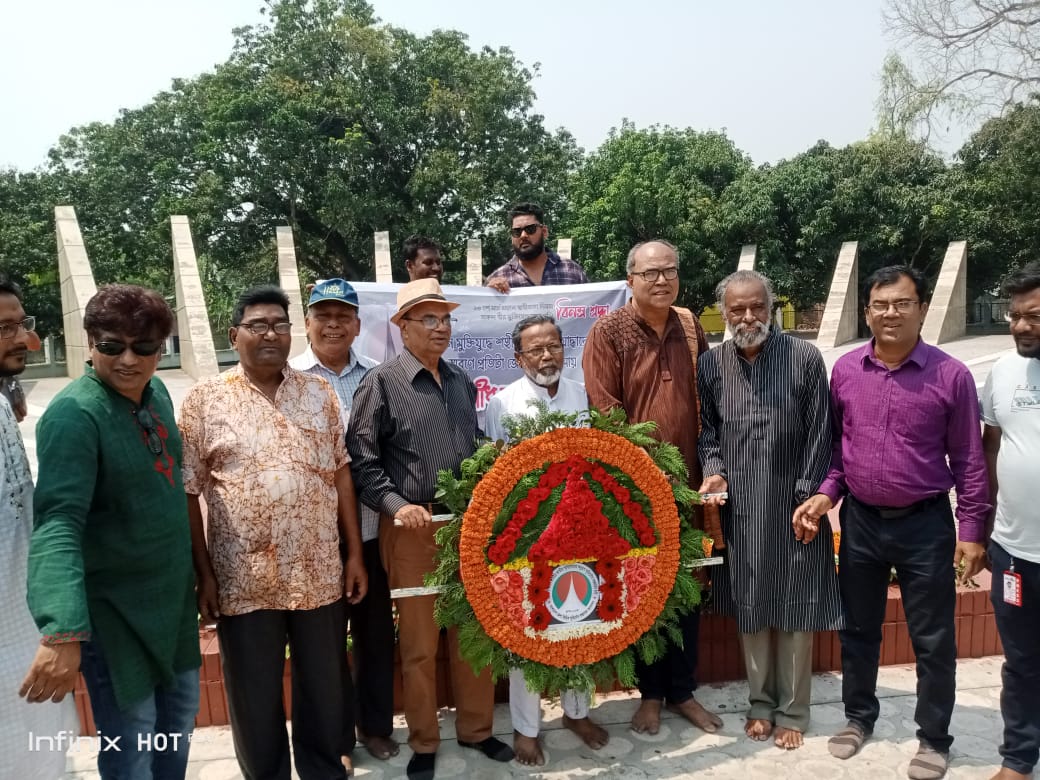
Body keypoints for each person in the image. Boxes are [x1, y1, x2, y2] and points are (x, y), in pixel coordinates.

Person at [794, 265, 990, 780]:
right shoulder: (847, 371)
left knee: (933, 639)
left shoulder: (951, 376)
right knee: (858, 630)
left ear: (921, 308)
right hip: (860, 522)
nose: (890, 314)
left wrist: (971, 532)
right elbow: (838, 453)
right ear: (867, 311)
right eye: (880, 305)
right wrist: (824, 495)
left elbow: (970, 462)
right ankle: (859, 718)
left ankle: (934, 737)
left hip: (925, 525)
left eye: (902, 304)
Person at [180, 285, 367, 779]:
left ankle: (324, 768)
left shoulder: (318, 393)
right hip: (244, 580)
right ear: (233, 334)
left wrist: (353, 555)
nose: (270, 334)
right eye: (257, 325)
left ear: (292, 332)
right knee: (252, 691)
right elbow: (189, 492)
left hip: (320, 569)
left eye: (280, 325)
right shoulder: (204, 402)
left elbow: (341, 472)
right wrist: (205, 575)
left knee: (324, 687)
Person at [21, 284, 201, 780]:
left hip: (172, 607)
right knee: (134, 742)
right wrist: (61, 629)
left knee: (178, 722)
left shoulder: (158, 392)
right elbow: (58, 521)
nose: (128, 360)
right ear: (89, 342)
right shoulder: (75, 415)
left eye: (143, 348)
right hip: (116, 616)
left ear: (161, 348)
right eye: (110, 346)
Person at [347, 278, 514, 780]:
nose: (441, 327)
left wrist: (499, 461)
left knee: (473, 635)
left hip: (466, 525)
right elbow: (362, 459)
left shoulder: (461, 380)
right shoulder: (381, 383)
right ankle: (423, 741)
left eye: (445, 319)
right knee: (419, 644)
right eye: (428, 319)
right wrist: (397, 506)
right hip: (412, 529)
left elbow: (474, 442)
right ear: (402, 326)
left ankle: (478, 731)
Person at [583, 239, 723, 737]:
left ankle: (682, 692)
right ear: (630, 280)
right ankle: (650, 694)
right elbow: (605, 410)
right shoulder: (609, 331)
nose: (661, 280)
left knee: (686, 589)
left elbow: (710, 396)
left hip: (690, 487)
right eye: (650, 273)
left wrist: (712, 465)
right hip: (637, 491)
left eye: (669, 271)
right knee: (644, 588)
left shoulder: (688, 325)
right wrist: (643, 470)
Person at [698, 269, 843, 750]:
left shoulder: (803, 358)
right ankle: (760, 704)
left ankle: (794, 710)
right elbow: (709, 432)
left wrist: (807, 497)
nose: (747, 317)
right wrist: (715, 468)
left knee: (797, 608)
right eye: (736, 309)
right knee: (752, 605)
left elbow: (822, 433)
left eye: (756, 306)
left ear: (772, 307)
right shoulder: (712, 365)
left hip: (796, 506)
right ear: (725, 312)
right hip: (741, 509)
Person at [484, 315, 608, 765]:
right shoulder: (502, 403)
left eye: (553, 346)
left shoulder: (582, 395)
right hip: (528, 540)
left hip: (583, 535)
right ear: (518, 358)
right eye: (535, 349)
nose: (546, 355)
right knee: (527, 636)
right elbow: (495, 477)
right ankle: (526, 728)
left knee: (582, 623)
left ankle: (577, 713)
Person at [288, 278, 398, 763]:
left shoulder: (378, 377)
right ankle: (335, 741)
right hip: (313, 538)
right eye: (323, 316)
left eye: (342, 316)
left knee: (374, 637)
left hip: (371, 532)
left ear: (357, 325)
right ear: (308, 323)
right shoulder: (287, 379)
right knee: (323, 648)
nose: (333, 324)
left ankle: (374, 727)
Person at [0, 279, 67, 780]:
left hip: (23, 623)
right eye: (4, 328)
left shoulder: (4, 402)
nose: (22, 338)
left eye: (21, 324)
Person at [980, 262, 1040, 780]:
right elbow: (991, 448)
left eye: (1034, 316)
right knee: (1021, 664)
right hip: (1016, 555)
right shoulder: (1002, 371)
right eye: (1015, 315)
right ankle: (1018, 761)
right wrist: (980, 528)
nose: (1021, 326)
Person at [485, 202, 588, 292]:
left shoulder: (572, 271)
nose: (523, 235)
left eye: (530, 229)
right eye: (517, 231)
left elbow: (591, 308)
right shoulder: (498, 278)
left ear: (544, 232)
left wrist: (603, 314)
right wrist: (490, 294)